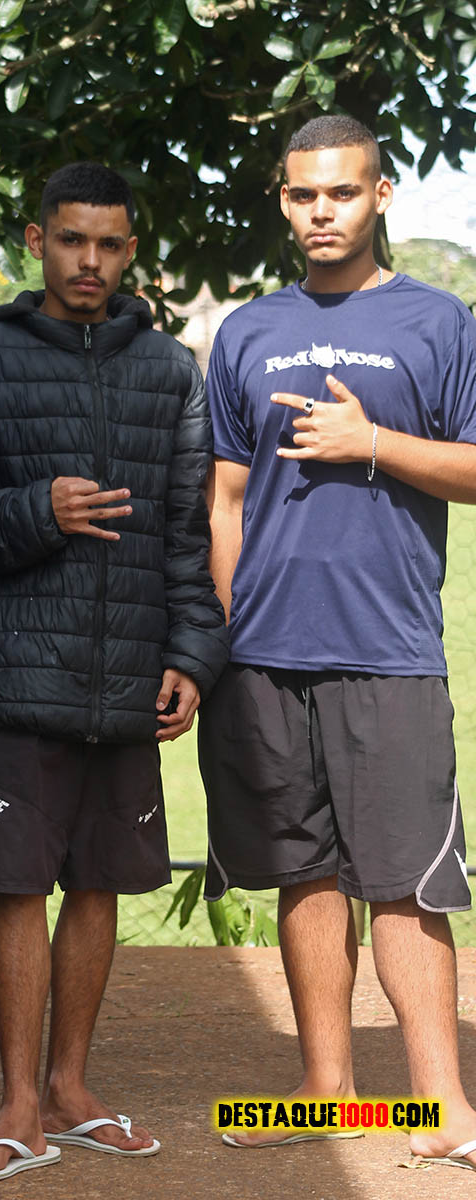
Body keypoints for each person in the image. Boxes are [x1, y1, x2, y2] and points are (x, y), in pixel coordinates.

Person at [0, 161, 228, 1181]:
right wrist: (35, 512)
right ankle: (17, 1104)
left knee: (98, 886)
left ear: (129, 251)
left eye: (106, 244)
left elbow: (186, 535)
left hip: (128, 676)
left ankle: (69, 1087)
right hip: (18, 675)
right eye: (69, 240)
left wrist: (190, 655)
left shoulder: (170, 371)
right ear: (36, 241)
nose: (87, 260)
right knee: (19, 889)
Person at [201, 113, 476, 1169]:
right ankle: (327, 1091)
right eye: (304, 194)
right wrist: (227, 630)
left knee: (404, 880)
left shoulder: (438, 322)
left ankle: (441, 1106)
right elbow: (225, 498)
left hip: (388, 649)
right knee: (302, 874)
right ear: (284, 201)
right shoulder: (245, 330)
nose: (323, 211)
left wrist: (373, 441)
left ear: (379, 195)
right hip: (264, 656)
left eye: (343, 192)